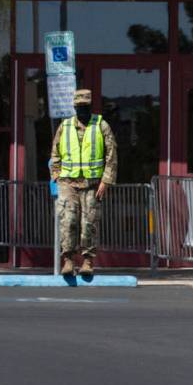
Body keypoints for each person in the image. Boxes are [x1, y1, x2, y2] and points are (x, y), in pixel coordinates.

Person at [49, 89, 118, 276]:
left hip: (92, 184)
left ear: (90, 106)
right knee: (68, 220)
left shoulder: (101, 125)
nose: (82, 111)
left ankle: (88, 261)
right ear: (74, 107)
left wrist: (106, 180)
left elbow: (111, 155)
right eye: (79, 107)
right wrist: (56, 174)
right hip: (68, 183)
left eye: (85, 107)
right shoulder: (65, 126)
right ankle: (68, 260)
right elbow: (55, 153)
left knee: (89, 223)